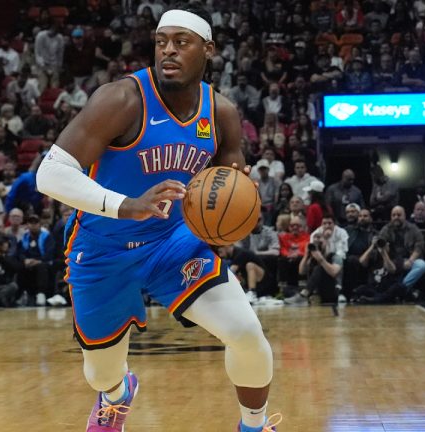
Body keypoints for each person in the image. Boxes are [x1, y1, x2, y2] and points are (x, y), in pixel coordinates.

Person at [35, 5, 278, 431]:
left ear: (208, 50)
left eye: (181, 43)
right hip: (104, 248)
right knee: (100, 373)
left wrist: (232, 219)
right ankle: (117, 394)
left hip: (172, 243)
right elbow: (49, 174)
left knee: (246, 333)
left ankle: (254, 426)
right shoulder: (122, 99)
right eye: (161, 42)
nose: (168, 51)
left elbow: (229, 184)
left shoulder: (220, 113)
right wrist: (127, 205)